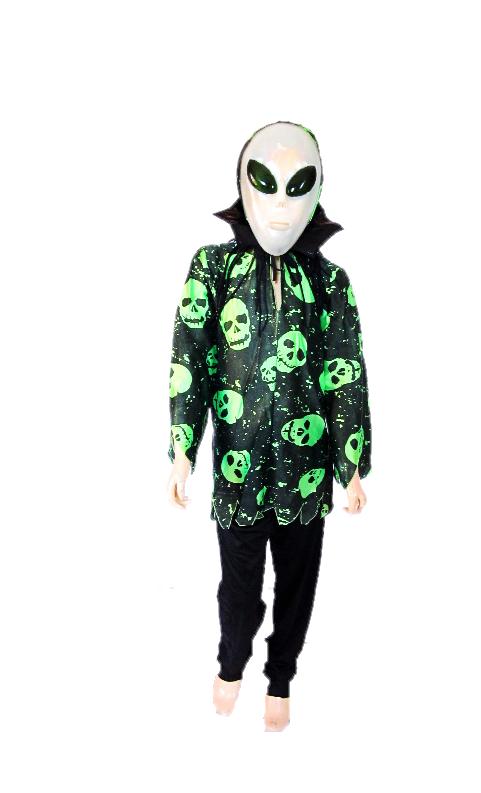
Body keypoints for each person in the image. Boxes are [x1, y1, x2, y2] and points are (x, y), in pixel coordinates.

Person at [167, 121, 372, 731]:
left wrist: (350, 465)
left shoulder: (330, 282)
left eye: (297, 186)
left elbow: (345, 373)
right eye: (267, 184)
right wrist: (182, 448)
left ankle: (280, 678)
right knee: (238, 590)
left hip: (306, 478)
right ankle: (232, 663)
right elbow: (191, 358)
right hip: (240, 473)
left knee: (298, 587)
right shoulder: (213, 268)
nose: (281, 204)